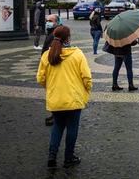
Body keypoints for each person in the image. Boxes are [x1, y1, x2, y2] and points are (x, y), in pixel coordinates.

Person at [36, 25, 92, 169]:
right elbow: (86, 77)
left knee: (57, 127)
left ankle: (52, 156)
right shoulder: (77, 54)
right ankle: (69, 158)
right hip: (73, 99)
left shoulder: (46, 56)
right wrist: (87, 90)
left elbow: (41, 78)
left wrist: (51, 88)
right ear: (68, 38)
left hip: (55, 99)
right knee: (72, 129)